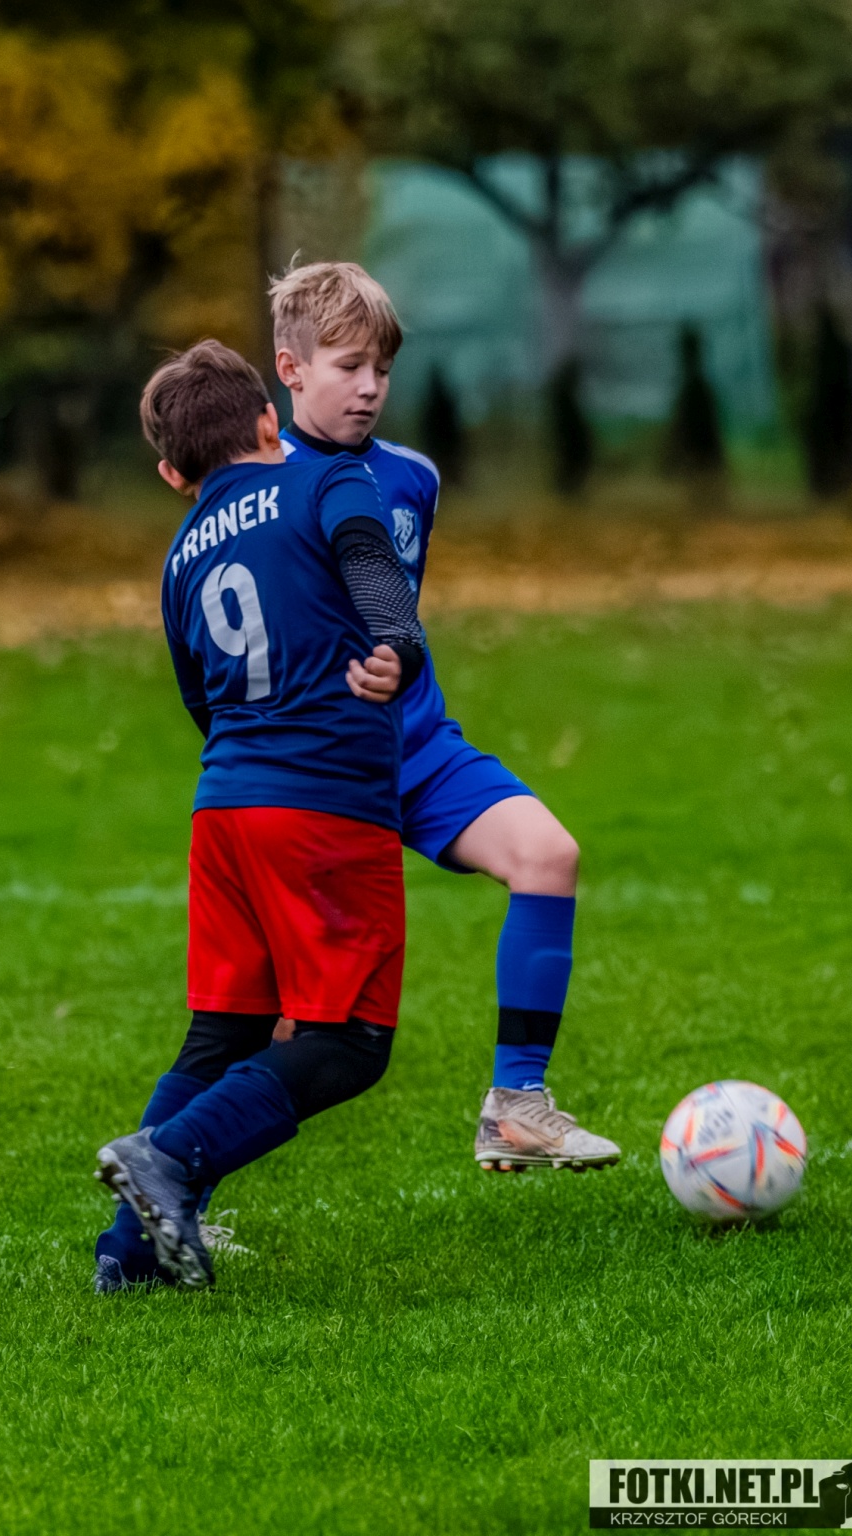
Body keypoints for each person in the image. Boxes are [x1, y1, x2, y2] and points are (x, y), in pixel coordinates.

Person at [270, 262, 620, 1174]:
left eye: (382, 368)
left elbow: (395, 612)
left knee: (548, 855)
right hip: (315, 770)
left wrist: (398, 659)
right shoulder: (257, 487)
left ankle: (516, 1106)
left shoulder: (412, 478)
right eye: (348, 366)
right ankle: (179, 1186)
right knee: (274, 1018)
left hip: (417, 747)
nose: (370, 387)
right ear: (290, 369)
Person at [94, 339, 425, 1290]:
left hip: (225, 810)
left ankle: (129, 1256)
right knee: (349, 1042)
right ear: (271, 423)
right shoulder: (326, 478)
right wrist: (397, 640)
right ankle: (173, 1157)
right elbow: (371, 562)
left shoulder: (178, 558)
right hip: (323, 804)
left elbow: (198, 698)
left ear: (173, 475)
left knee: (225, 1033)